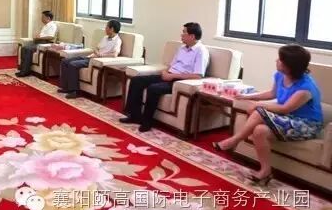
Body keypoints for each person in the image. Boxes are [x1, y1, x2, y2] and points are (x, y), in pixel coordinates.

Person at [213, 44, 323, 185]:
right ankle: (265, 171)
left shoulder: (306, 87)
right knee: (260, 131)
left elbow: (285, 108)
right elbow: (272, 94)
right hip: (288, 118)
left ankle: (234, 140)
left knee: (259, 112)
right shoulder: (280, 75)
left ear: (290, 66)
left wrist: (258, 105)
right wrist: (248, 97)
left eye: (280, 59)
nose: (276, 60)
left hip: (306, 124)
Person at [120, 22, 209, 132]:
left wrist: (172, 76)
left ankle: (147, 122)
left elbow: (197, 76)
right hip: (169, 75)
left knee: (153, 88)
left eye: (184, 32)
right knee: (136, 80)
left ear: (192, 36)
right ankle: (135, 116)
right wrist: (165, 72)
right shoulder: (182, 48)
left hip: (179, 81)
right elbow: (172, 65)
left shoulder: (201, 51)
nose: (181, 35)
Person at [58, 20, 122, 99]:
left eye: (106, 27)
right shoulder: (105, 37)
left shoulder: (117, 41)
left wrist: (101, 55)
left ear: (111, 29)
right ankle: (65, 87)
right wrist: (97, 52)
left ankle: (74, 91)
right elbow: (96, 48)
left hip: (95, 61)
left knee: (73, 65)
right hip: (90, 56)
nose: (105, 28)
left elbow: (115, 54)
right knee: (64, 61)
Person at [16, 11, 58, 77]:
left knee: (28, 49)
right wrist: (37, 37)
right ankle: (22, 69)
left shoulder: (52, 26)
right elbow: (43, 34)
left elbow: (51, 37)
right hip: (40, 41)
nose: (41, 18)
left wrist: (39, 37)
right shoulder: (45, 26)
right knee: (24, 48)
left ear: (48, 18)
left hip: (45, 42)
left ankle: (25, 72)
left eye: (43, 17)